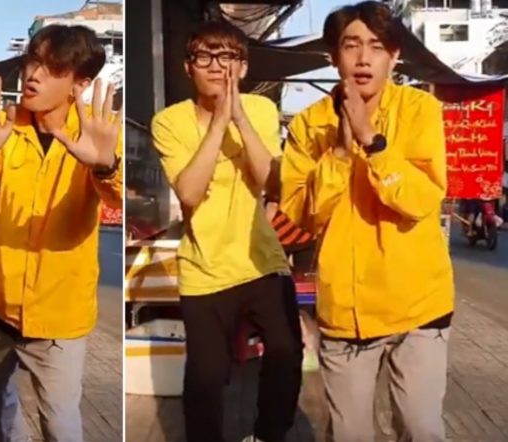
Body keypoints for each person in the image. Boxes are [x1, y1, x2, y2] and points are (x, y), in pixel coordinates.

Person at [279, 2, 454, 441]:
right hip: (347, 312)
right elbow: (302, 214)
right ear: (333, 57)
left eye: (376, 46)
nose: (362, 58)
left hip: (418, 305)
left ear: (394, 56)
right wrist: (339, 154)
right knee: (350, 433)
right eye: (351, 45)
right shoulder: (310, 125)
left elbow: (421, 199)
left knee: (421, 429)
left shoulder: (419, 110)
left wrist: (372, 143)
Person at [0, 24, 122, 441]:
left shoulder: (97, 134)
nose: (33, 75)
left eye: (52, 68)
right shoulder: (7, 126)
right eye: (32, 61)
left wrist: (105, 166)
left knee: (60, 420)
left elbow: (117, 195)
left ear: (80, 83)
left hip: (60, 316)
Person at [150, 21, 302, 442]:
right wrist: (218, 124)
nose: (217, 66)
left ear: (244, 67)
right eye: (205, 57)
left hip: (262, 261)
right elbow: (189, 193)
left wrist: (239, 118)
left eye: (228, 57)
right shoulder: (169, 122)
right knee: (206, 376)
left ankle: (268, 435)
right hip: (205, 269)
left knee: (287, 353)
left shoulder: (261, 109)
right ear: (188, 67)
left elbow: (272, 184)